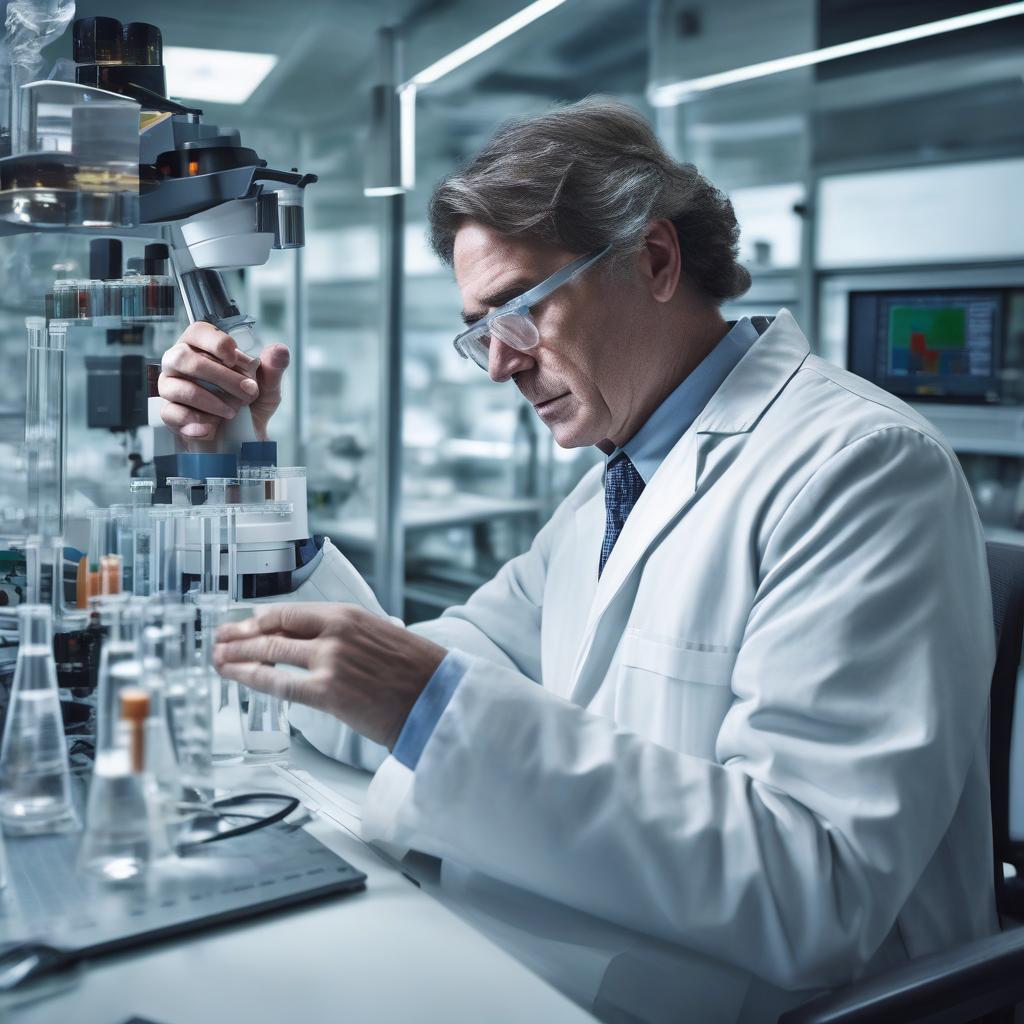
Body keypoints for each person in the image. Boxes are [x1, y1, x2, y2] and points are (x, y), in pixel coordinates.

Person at [158, 99, 997, 1024]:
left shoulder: (863, 469)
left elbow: (817, 888)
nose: (499, 366)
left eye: (520, 309)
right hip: (594, 958)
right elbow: (390, 695)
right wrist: (239, 460)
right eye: (481, 330)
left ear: (655, 260)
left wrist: (429, 704)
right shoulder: (615, 488)